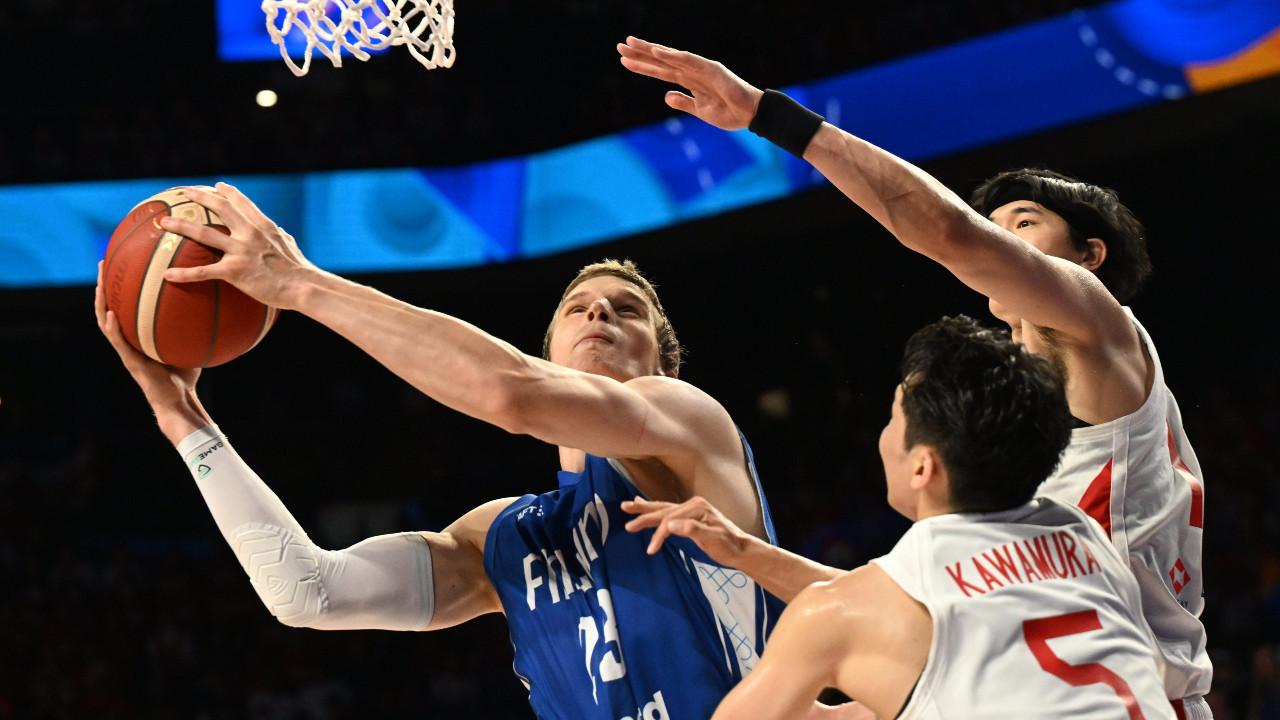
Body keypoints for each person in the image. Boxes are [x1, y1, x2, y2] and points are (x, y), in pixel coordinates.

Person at [618, 36, 1210, 717]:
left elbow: (949, 234)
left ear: (1089, 257)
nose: (1003, 242)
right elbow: (901, 606)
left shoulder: (1102, 333)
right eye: (996, 226)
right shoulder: (1022, 460)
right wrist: (746, 554)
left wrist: (769, 116)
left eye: (1024, 223)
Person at [94, 183, 784, 720]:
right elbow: (306, 591)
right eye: (578, 308)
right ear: (548, 353)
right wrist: (182, 416)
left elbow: (509, 394)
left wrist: (301, 283)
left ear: (665, 366)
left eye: (626, 309)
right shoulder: (501, 538)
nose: (599, 312)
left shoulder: (692, 430)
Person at [626, 315, 1175, 720]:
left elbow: (878, 611)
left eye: (892, 417)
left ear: (922, 467)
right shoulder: (1084, 538)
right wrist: (748, 554)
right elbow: (930, 604)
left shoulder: (836, 617)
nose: (882, 437)